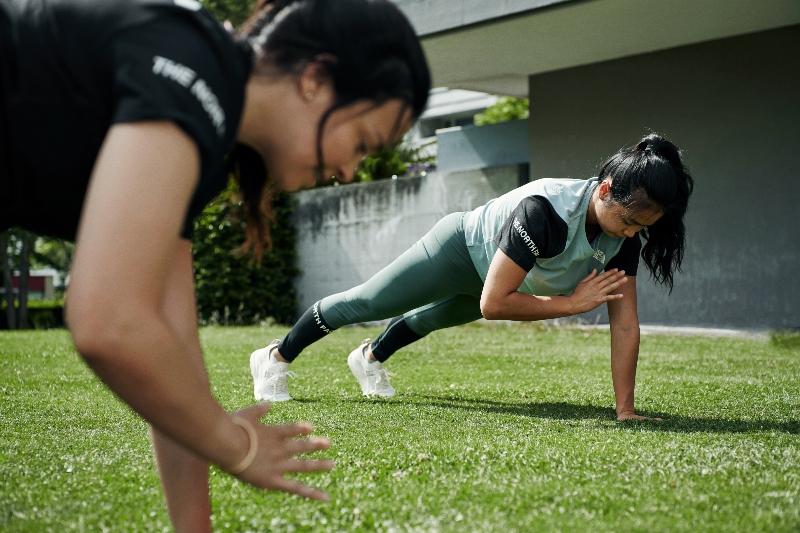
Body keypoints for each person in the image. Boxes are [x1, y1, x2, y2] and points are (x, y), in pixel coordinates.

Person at [0, 0, 430, 530]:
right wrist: (236, 444)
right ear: (315, 79)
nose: (348, 168)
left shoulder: (201, 131)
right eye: (362, 142)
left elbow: (174, 351)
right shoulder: (192, 74)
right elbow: (109, 323)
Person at [250, 133, 694, 421]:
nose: (633, 234)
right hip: (462, 248)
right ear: (603, 191)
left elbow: (625, 324)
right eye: (630, 220)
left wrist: (625, 410)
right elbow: (493, 305)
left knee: (428, 320)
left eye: (643, 228)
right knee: (370, 302)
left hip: (504, 275)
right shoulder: (545, 212)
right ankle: (275, 357)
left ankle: (369, 357)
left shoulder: (626, 239)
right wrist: (570, 305)